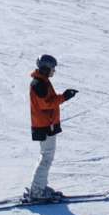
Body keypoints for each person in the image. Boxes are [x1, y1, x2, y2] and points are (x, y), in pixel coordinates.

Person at [27, 54, 78, 200]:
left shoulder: (42, 81)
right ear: (44, 69)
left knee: (46, 156)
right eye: (52, 68)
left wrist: (65, 96)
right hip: (44, 125)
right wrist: (65, 97)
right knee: (46, 157)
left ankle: (39, 186)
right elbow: (46, 104)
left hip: (45, 124)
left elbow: (48, 101)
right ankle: (37, 191)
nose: (53, 71)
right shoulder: (39, 84)